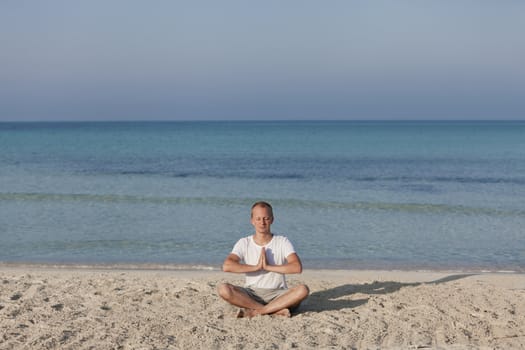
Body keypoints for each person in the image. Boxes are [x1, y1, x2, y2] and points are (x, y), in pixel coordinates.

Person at [217, 201, 309, 318]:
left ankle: (257, 312)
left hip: (278, 294)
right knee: (223, 289)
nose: (262, 222)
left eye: (266, 218)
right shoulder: (244, 242)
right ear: (252, 220)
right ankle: (272, 310)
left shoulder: (282, 241)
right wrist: (256, 267)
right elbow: (227, 266)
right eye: (258, 218)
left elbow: (297, 267)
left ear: (272, 219)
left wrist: (268, 267)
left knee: (303, 290)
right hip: (252, 294)